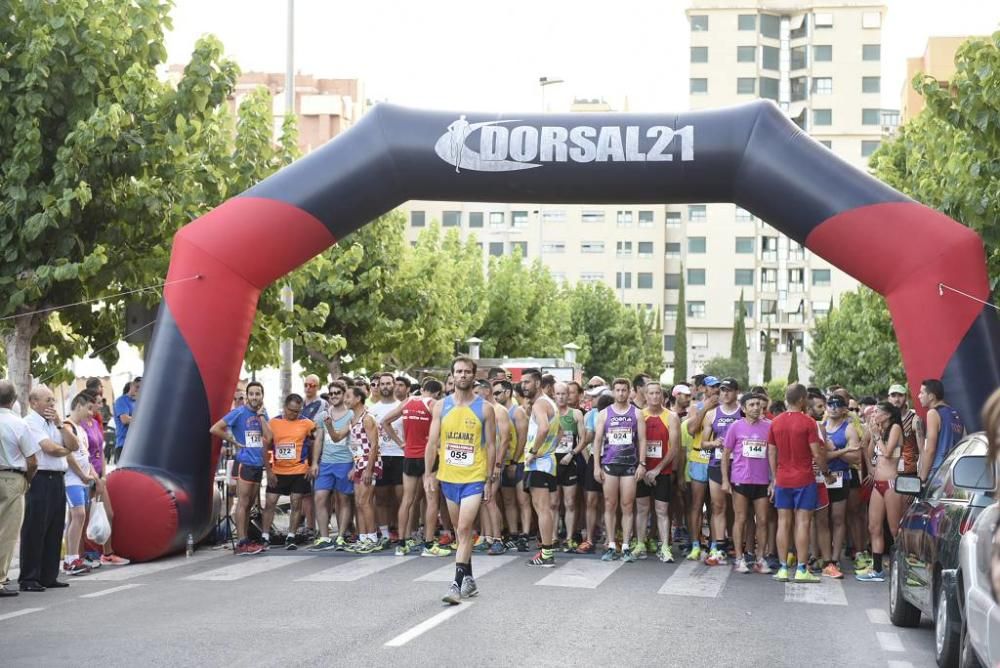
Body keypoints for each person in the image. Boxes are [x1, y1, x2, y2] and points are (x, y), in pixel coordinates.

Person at [424, 356, 496, 604]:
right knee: (459, 532)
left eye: (467, 372)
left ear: (473, 376)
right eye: (458, 371)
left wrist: (489, 478)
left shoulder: (485, 408)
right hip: (448, 477)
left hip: (474, 476)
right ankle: (470, 579)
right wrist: (428, 473)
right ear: (452, 376)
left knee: (465, 529)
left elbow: (492, 445)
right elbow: (432, 443)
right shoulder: (440, 406)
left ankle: (455, 584)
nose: (462, 375)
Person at [767, 383, 833, 584]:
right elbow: (816, 453)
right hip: (804, 478)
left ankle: (783, 568)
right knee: (803, 523)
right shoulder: (808, 422)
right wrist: (826, 473)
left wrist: (775, 477)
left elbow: (771, 451)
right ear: (802, 399)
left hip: (783, 478)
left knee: (783, 523)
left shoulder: (775, 422)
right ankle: (802, 569)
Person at [20, 385, 80, 592]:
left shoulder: (56, 423)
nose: (52, 404)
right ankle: (29, 577)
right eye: (47, 400)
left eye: (53, 400)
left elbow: (75, 445)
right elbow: (50, 449)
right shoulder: (29, 422)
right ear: (34, 402)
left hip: (58, 478)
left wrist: (61, 425)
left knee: (55, 528)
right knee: (35, 528)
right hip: (40, 478)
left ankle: (48, 575)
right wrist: (65, 449)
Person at [379, 378, 448, 556]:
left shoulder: (408, 401)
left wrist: (401, 443)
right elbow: (446, 426)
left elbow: (384, 421)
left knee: (407, 500)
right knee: (432, 501)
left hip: (408, 456)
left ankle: (401, 544)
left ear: (423, 389)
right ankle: (428, 544)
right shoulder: (433, 404)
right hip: (428, 457)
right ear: (437, 393)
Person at [210, 381, 271, 555]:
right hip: (244, 462)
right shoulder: (239, 412)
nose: (254, 397)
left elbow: (269, 437)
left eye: (257, 394)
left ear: (262, 396)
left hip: (257, 464)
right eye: (251, 394)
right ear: (247, 396)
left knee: (250, 503)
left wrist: (261, 416)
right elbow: (215, 428)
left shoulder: (263, 414)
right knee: (243, 503)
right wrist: (233, 441)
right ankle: (241, 542)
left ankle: (245, 540)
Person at [593, 377, 647, 563]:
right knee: (609, 504)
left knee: (627, 505)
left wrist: (642, 463)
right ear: (613, 392)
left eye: (624, 390)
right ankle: (610, 545)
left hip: (630, 466)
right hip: (609, 464)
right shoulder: (604, 414)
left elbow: (642, 440)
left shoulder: (637, 414)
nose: (621, 393)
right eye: (618, 390)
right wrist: (596, 467)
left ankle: (625, 545)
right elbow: (598, 441)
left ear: (629, 391)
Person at [721, 391, 772, 574]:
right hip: (740, 479)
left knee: (763, 520)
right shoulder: (735, 427)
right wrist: (725, 481)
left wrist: (773, 480)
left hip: (762, 481)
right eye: (751, 405)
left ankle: (760, 558)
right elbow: (725, 455)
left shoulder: (769, 427)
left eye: (758, 404)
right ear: (743, 408)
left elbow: (774, 455)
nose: (756, 408)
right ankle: (739, 558)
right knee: (740, 519)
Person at [261, 394, 316, 550]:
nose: (294, 414)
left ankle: (291, 536)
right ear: (285, 407)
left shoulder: (307, 424)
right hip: (278, 471)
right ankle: (265, 535)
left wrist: (312, 465)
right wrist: (269, 471)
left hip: (299, 470)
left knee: (296, 502)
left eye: (297, 411)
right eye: (291, 410)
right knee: (270, 502)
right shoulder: (273, 423)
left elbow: (315, 443)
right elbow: (265, 448)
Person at [857, 401, 904, 583]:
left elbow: (887, 452)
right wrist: (870, 434)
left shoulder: (895, 429)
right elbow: (870, 455)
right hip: (878, 483)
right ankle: (877, 569)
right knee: (874, 526)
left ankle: (900, 566)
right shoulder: (879, 431)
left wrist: (876, 436)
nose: (874, 414)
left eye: (877, 411)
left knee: (893, 529)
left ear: (887, 415)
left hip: (891, 483)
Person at [0, 380, 39, 596]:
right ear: (14, 400)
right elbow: (32, 460)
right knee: (6, 532)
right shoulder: (18, 424)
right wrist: (28, 479)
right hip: (12, 478)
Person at [333, 386, 383, 552]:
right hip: (359, 464)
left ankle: (372, 538)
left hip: (369, 464)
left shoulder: (367, 419)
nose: (345, 400)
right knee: (359, 502)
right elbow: (337, 437)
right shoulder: (351, 420)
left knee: (365, 502)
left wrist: (368, 470)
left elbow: (374, 444)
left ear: (358, 399)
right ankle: (363, 538)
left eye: (348, 396)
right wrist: (327, 423)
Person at [701, 377, 743, 566]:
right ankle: (719, 547)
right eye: (722, 390)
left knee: (740, 510)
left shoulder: (743, 412)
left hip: (740, 466)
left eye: (729, 390)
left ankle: (740, 546)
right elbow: (703, 444)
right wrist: (714, 443)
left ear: (736, 392)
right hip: (716, 465)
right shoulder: (711, 414)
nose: (725, 393)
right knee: (718, 506)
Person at [522, 371, 562, 567]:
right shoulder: (549, 403)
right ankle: (546, 550)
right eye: (522, 382)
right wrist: (550, 449)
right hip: (546, 461)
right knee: (542, 508)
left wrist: (534, 451)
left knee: (542, 508)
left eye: (527, 382)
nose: (524, 386)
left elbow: (544, 428)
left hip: (539, 463)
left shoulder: (540, 403)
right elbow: (560, 429)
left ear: (538, 383)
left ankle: (546, 552)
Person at [637, 382, 681, 562]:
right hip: (642, 469)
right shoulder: (639, 415)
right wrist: (643, 467)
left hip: (662, 470)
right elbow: (635, 443)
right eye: (651, 393)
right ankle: (640, 544)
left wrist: (657, 469)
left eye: (658, 393)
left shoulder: (671, 416)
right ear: (645, 396)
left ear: (663, 396)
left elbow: (675, 447)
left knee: (662, 509)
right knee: (641, 509)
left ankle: (664, 546)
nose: (655, 396)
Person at [309, 380, 355, 551]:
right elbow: (319, 439)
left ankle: (341, 536)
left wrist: (355, 466)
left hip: (345, 462)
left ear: (344, 395)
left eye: (338, 393)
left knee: (343, 499)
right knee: (320, 497)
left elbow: (355, 440)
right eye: (332, 393)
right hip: (326, 463)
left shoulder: (351, 415)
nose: (334, 396)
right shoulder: (323, 416)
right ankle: (324, 537)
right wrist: (315, 463)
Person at [474, 380, 510, 556]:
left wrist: (497, 464)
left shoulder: (499, 411)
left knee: (490, 500)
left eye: (476, 390)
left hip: (493, 463)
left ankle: (498, 540)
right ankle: (486, 537)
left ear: (486, 391)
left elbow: (504, 440)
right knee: (482, 501)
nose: (473, 394)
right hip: (479, 462)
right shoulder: (479, 409)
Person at [494, 379, 530, 552]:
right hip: (504, 462)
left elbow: (523, 438)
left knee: (523, 500)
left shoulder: (518, 412)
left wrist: (515, 461)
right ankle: (514, 533)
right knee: (508, 500)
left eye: (497, 393)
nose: (494, 396)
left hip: (519, 461)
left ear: (507, 392)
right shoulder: (496, 411)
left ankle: (525, 534)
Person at [369, 372, 404, 547]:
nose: (385, 386)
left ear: (394, 384)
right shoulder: (372, 410)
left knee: (401, 497)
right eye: (381, 384)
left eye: (388, 383)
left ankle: (404, 532)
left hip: (400, 456)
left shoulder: (402, 407)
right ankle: (384, 533)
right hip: (381, 456)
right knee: (381, 497)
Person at [553, 381, 586, 552]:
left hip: (569, 461)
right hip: (552, 461)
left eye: (564, 394)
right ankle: (551, 537)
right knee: (553, 503)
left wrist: (572, 454)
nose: (561, 397)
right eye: (557, 394)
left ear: (569, 395)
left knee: (570, 502)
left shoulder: (576, 414)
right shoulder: (549, 412)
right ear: (553, 395)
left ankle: (569, 538)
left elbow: (583, 439)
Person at [917, 378, 965, 482]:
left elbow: (930, 450)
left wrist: (921, 479)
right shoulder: (956, 413)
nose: (919, 396)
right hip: (955, 474)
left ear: (931, 396)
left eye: (921, 393)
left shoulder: (932, 413)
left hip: (938, 476)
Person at [298, 375, 328, 538]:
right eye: (306, 384)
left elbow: (316, 428)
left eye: (312, 385)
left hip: (315, 449)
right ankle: (308, 525)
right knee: (303, 490)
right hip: (299, 449)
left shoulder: (322, 404)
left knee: (317, 489)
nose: (309, 388)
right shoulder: (299, 403)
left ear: (317, 386)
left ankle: (317, 525)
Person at [112, 377, 140, 463]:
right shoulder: (121, 401)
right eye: (137, 386)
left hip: (137, 446)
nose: (138, 389)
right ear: (131, 385)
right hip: (124, 446)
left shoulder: (141, 402)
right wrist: (143, 420)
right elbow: (125, 419)